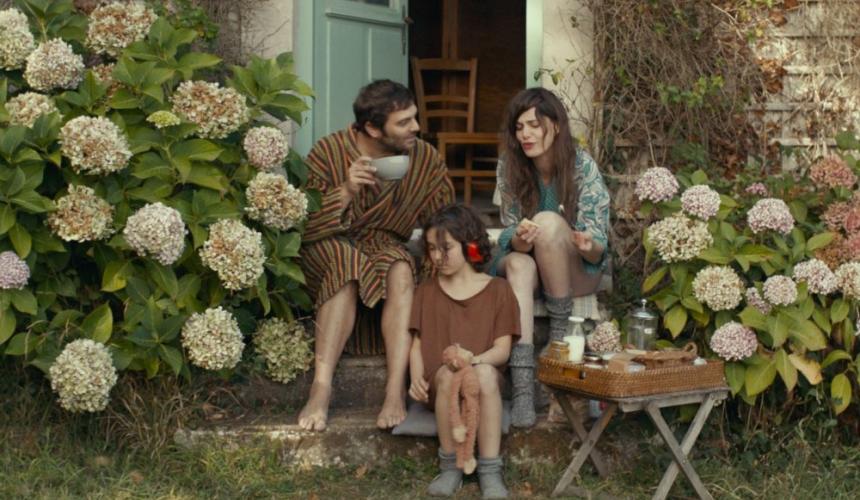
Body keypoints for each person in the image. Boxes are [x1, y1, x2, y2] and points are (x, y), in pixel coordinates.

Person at [298, 80, 455, 432]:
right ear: (372, 128)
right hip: (330, 244)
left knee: (400, 266)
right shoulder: (328, 151)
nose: (416, 127)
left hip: (384, 246)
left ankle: (394, 391)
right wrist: (347, 190)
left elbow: (444, 219)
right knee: (345, 261)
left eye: (414, 117)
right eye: (404, 122)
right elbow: (303, 226)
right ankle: (321, 387)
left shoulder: (425, 159)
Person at [491, 88, 611, 428]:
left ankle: (559, 334)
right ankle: (523, 386)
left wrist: (586, 243)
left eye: (534, 125)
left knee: (548, 221)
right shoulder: (510, 166)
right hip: (528, 264)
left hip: (575, 269)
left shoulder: (581, 165)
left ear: (556, 126)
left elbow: (599, 247)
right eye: (519, 127)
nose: (525, 135)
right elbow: (510, 234)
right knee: (518, 263)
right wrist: (520, 238)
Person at [409, 204, 519, 499]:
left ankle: (490, 470)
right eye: (432, 248)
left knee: (484, 374)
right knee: (448, 374)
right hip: (441, 385)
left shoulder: (499, 289)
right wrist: (416, 377)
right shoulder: (426, 290)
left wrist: (474, 361)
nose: (437, 256)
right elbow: (417, 343)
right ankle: (450, 467)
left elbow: (502, 350)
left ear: (469, 245)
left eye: (446, 248)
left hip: (483, 383)